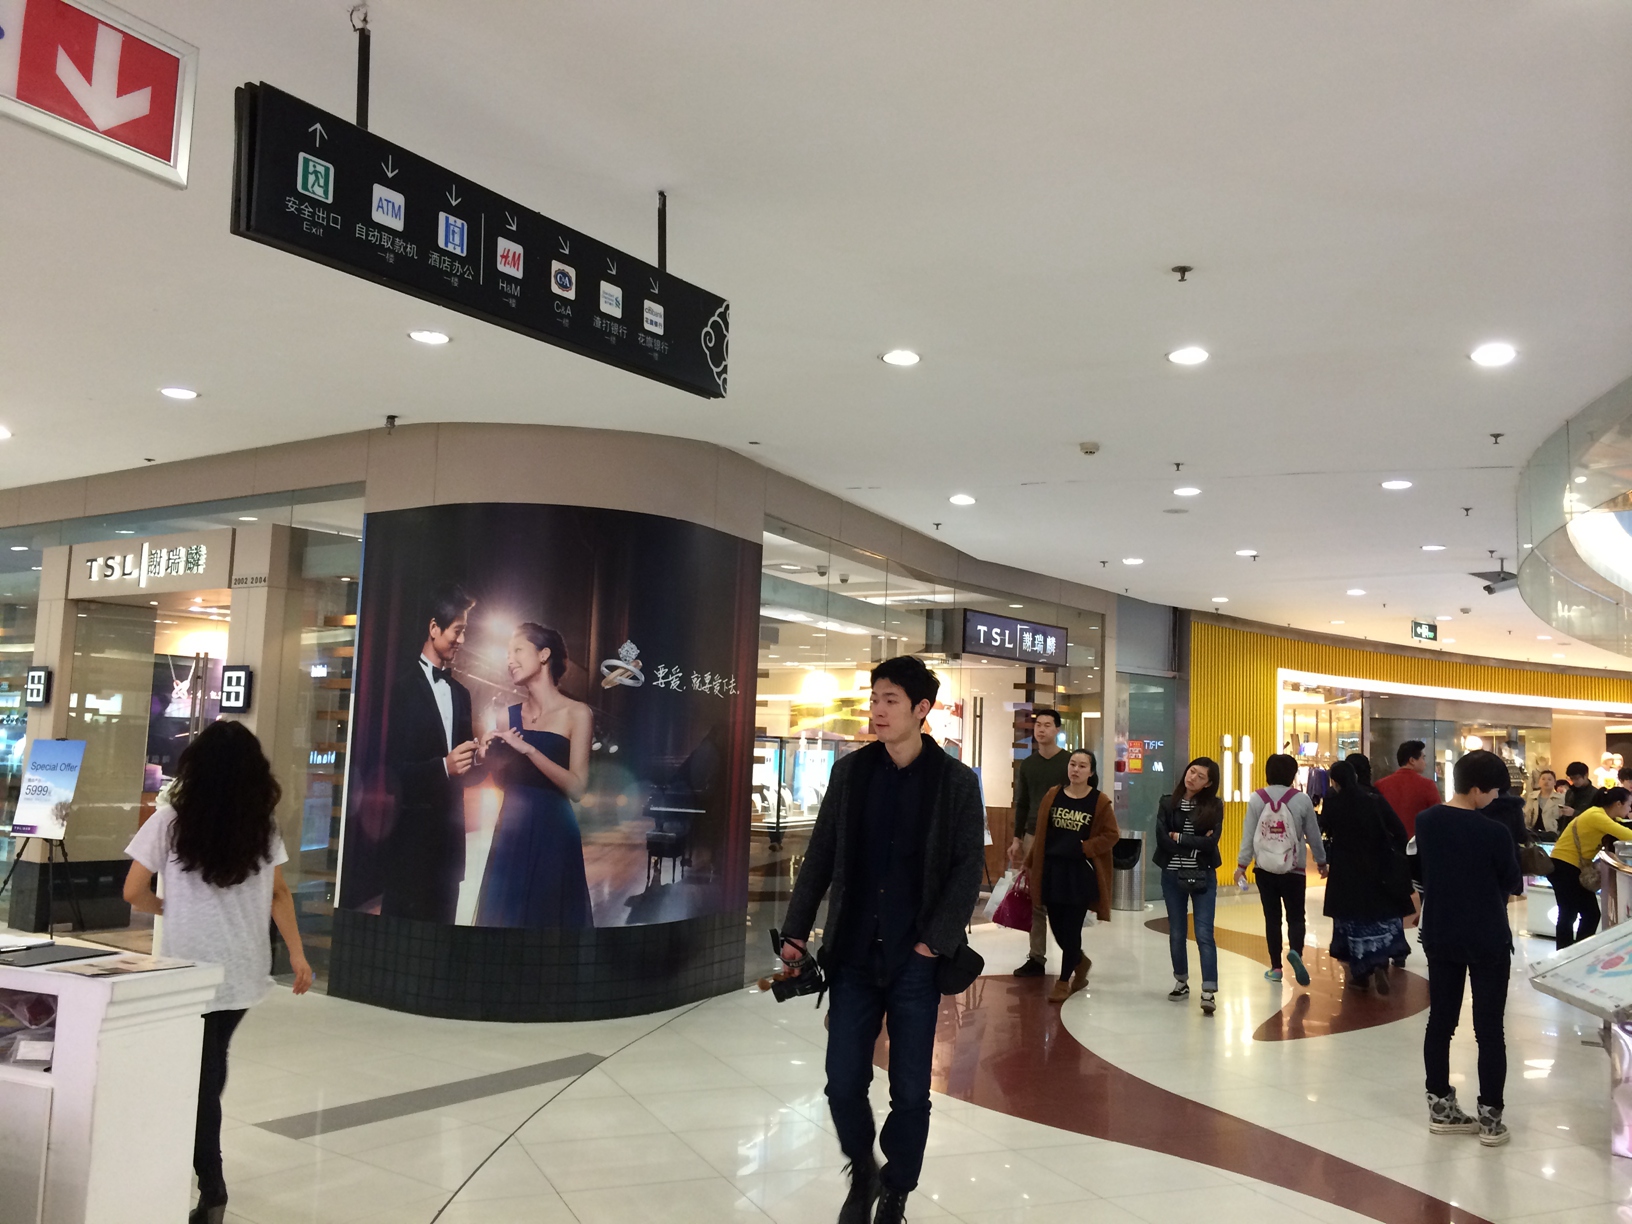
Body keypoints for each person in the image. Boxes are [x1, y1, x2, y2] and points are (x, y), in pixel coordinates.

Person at [778, 656, 985, 1224]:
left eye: (890, 700)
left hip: (915, 959)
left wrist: (933, 943)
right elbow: (822, 852)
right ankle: (863, 1168)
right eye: (874, 698)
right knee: (842, 1081)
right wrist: (796, 930)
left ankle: (897, 1187)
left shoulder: (955, 783)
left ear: (921, 709)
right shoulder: (851, 773)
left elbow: (968, 868)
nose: (877, 710)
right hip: (852, 953)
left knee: (911, 1091)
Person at [121, 721, 313, 1224]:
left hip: (186, 972)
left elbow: (133, 891)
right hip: (243, 971)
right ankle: (203, 1179)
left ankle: (211, 1187)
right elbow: (278, 894)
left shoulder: (169, 821)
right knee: (207, 1068)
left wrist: (168, 908)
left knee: (197, 1079)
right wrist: (298, 955)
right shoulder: (262, 827)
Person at [1414, 749, 1522, 1147]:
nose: (1495, 798)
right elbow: (1513, 881)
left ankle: (1440, 1110)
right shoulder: (1495, 832)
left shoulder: (1426, 822)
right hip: (1487, 935)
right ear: (1477, 789)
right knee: (1489, 1029)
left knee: (1440, 1022)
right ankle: (1491, 1119)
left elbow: (1424, 870)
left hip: (1441, 931)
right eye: (1493, 791)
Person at [474, 623, 594, 928]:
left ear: (544, 655)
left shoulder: (577, 713)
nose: (509, 659)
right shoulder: (506, 716)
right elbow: (503, 782)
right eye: (507, 653)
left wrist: (528, 750)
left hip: (554, 833)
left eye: (517, 650)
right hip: (511, 831)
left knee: (547, 924)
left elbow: (577, 788)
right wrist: (487, 756)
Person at [380, 583, 484, 922]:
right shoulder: (400, 689)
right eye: (458, 630)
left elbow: (466, 774)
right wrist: (443, 767)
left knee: (444, 940)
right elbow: (391, 772)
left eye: (465, 632)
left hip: (450, 850)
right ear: (434, 628)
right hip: (411, 848)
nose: (462, 640)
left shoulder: (462, 694)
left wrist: (482, 757)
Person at [1026, 748, 1118, 1002]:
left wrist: (1086, 848)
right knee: (1057, 927)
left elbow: (1112, 835)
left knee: (1072, 928)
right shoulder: (1053, 795)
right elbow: (1042, 833)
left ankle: (1064, 980)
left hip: (1079, 873)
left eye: (1082, 766)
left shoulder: (1099, 801)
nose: (1075, 770)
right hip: (1052, 870)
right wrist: (1030, 862)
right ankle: (1080, 961)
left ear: (1091, 772)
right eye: (1072, 764)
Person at [1235, 752, 1327, 986]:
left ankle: (1276, 967)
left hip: (1264, 868)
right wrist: (1321, 861)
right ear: (1292, 774)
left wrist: (1242, 865)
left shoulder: (1257, 798)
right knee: (1296, 916)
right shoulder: (1302, 799)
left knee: (1272, 918)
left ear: (1268, 773)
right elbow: (1313, 835)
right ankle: (1296, 951)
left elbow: (1249, 835)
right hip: (1294, 869)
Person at [1321, 759, 1412, 993]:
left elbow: (1325, 830)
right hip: (1377, 866)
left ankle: (1360, 975)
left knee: (1352, 921)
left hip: (1345, 871)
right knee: (1378, 917)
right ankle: (1381, 962)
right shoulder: (1374, 798)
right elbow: (1398, 829)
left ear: (1335, 781)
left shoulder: (1334, 802)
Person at [1154, 757, 1223, 1015]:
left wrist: (1179, 837)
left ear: (1208, 784)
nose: (1192, 778)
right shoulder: (1167, 802)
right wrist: (1193, 843)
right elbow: (1162, 839)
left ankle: (1209, 990)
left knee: (1204, 932)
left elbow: (1211, 842)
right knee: (1177, 931)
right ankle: (1181, 981)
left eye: (1200, 776)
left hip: (1203, 874)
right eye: (1192, 771)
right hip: (1172, 875)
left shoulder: (1214, 806)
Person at [1009, 708, 1069, 977]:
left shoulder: (1069, 762)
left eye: (1047, 725)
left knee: (1060, 898)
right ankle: (1036, 957)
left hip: (1062, 835)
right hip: (1033, 834)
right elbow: (1022, 802)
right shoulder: (1029, 765)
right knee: (1035, 898)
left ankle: (1072, 955)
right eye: (1038, 725)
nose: (1041, 729)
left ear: (1057, 729)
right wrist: (1017, 838)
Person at [1549, 786, 1632, 949]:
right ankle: (1567, 953)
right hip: (1564, 865)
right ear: (1618, 804)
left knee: (1589, 914)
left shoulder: (1601, 815)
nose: (1630, 809)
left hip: (1571, 867)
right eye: (1629, 805)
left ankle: (1578, 950)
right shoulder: (1596, 816)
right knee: (1570, 913)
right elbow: (1627, 834)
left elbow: (1622, 826)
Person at [1376, 740, 1441, 839]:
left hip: (1389, 843)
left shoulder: (1380, 785)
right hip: (1418, 842)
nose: (1425, 763)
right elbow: (1437, 817)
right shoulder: (1427, 785)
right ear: (1412, 760)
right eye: (1423, 758)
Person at [1526, 769, 1563, 837]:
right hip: (1534, 833)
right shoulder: (1532, 796)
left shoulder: (1560, 798)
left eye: (1549, 779)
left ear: (1555, 782)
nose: (1546, 781)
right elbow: (1527, 815)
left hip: (1552, 833)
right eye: (1543, 779)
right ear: (1539, 782)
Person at [1563, 762, 1598, 829]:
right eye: (1571, 778)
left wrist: (1574, 813)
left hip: (1587, 830)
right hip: (1569, 829)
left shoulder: (1595, 793)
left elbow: (1596, 818)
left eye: (1577, 778)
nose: (1574, 781)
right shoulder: (1570, 792)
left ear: (1586, 775)